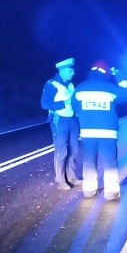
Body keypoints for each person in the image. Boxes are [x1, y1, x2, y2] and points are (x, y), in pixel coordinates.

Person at [73, 61, 127, 200]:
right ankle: (111, 192)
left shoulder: (80, 88)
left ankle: (89, 190)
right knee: (109, 161)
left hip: (87, 132)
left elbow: (75, 108)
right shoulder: (110, 88)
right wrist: (119, 75)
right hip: (108, 133)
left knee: (89, 161)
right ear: (105, 74)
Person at [40, 57, 81, 190]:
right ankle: (61, 180)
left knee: (75, 149)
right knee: (61, 150)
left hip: (72, 120)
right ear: (62, 71)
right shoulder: (51, 84)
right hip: (59, 120)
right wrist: (64, 103)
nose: (73, 73)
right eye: (70, 70)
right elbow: (44, 104)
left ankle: (72, 177)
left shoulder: (70, 84)